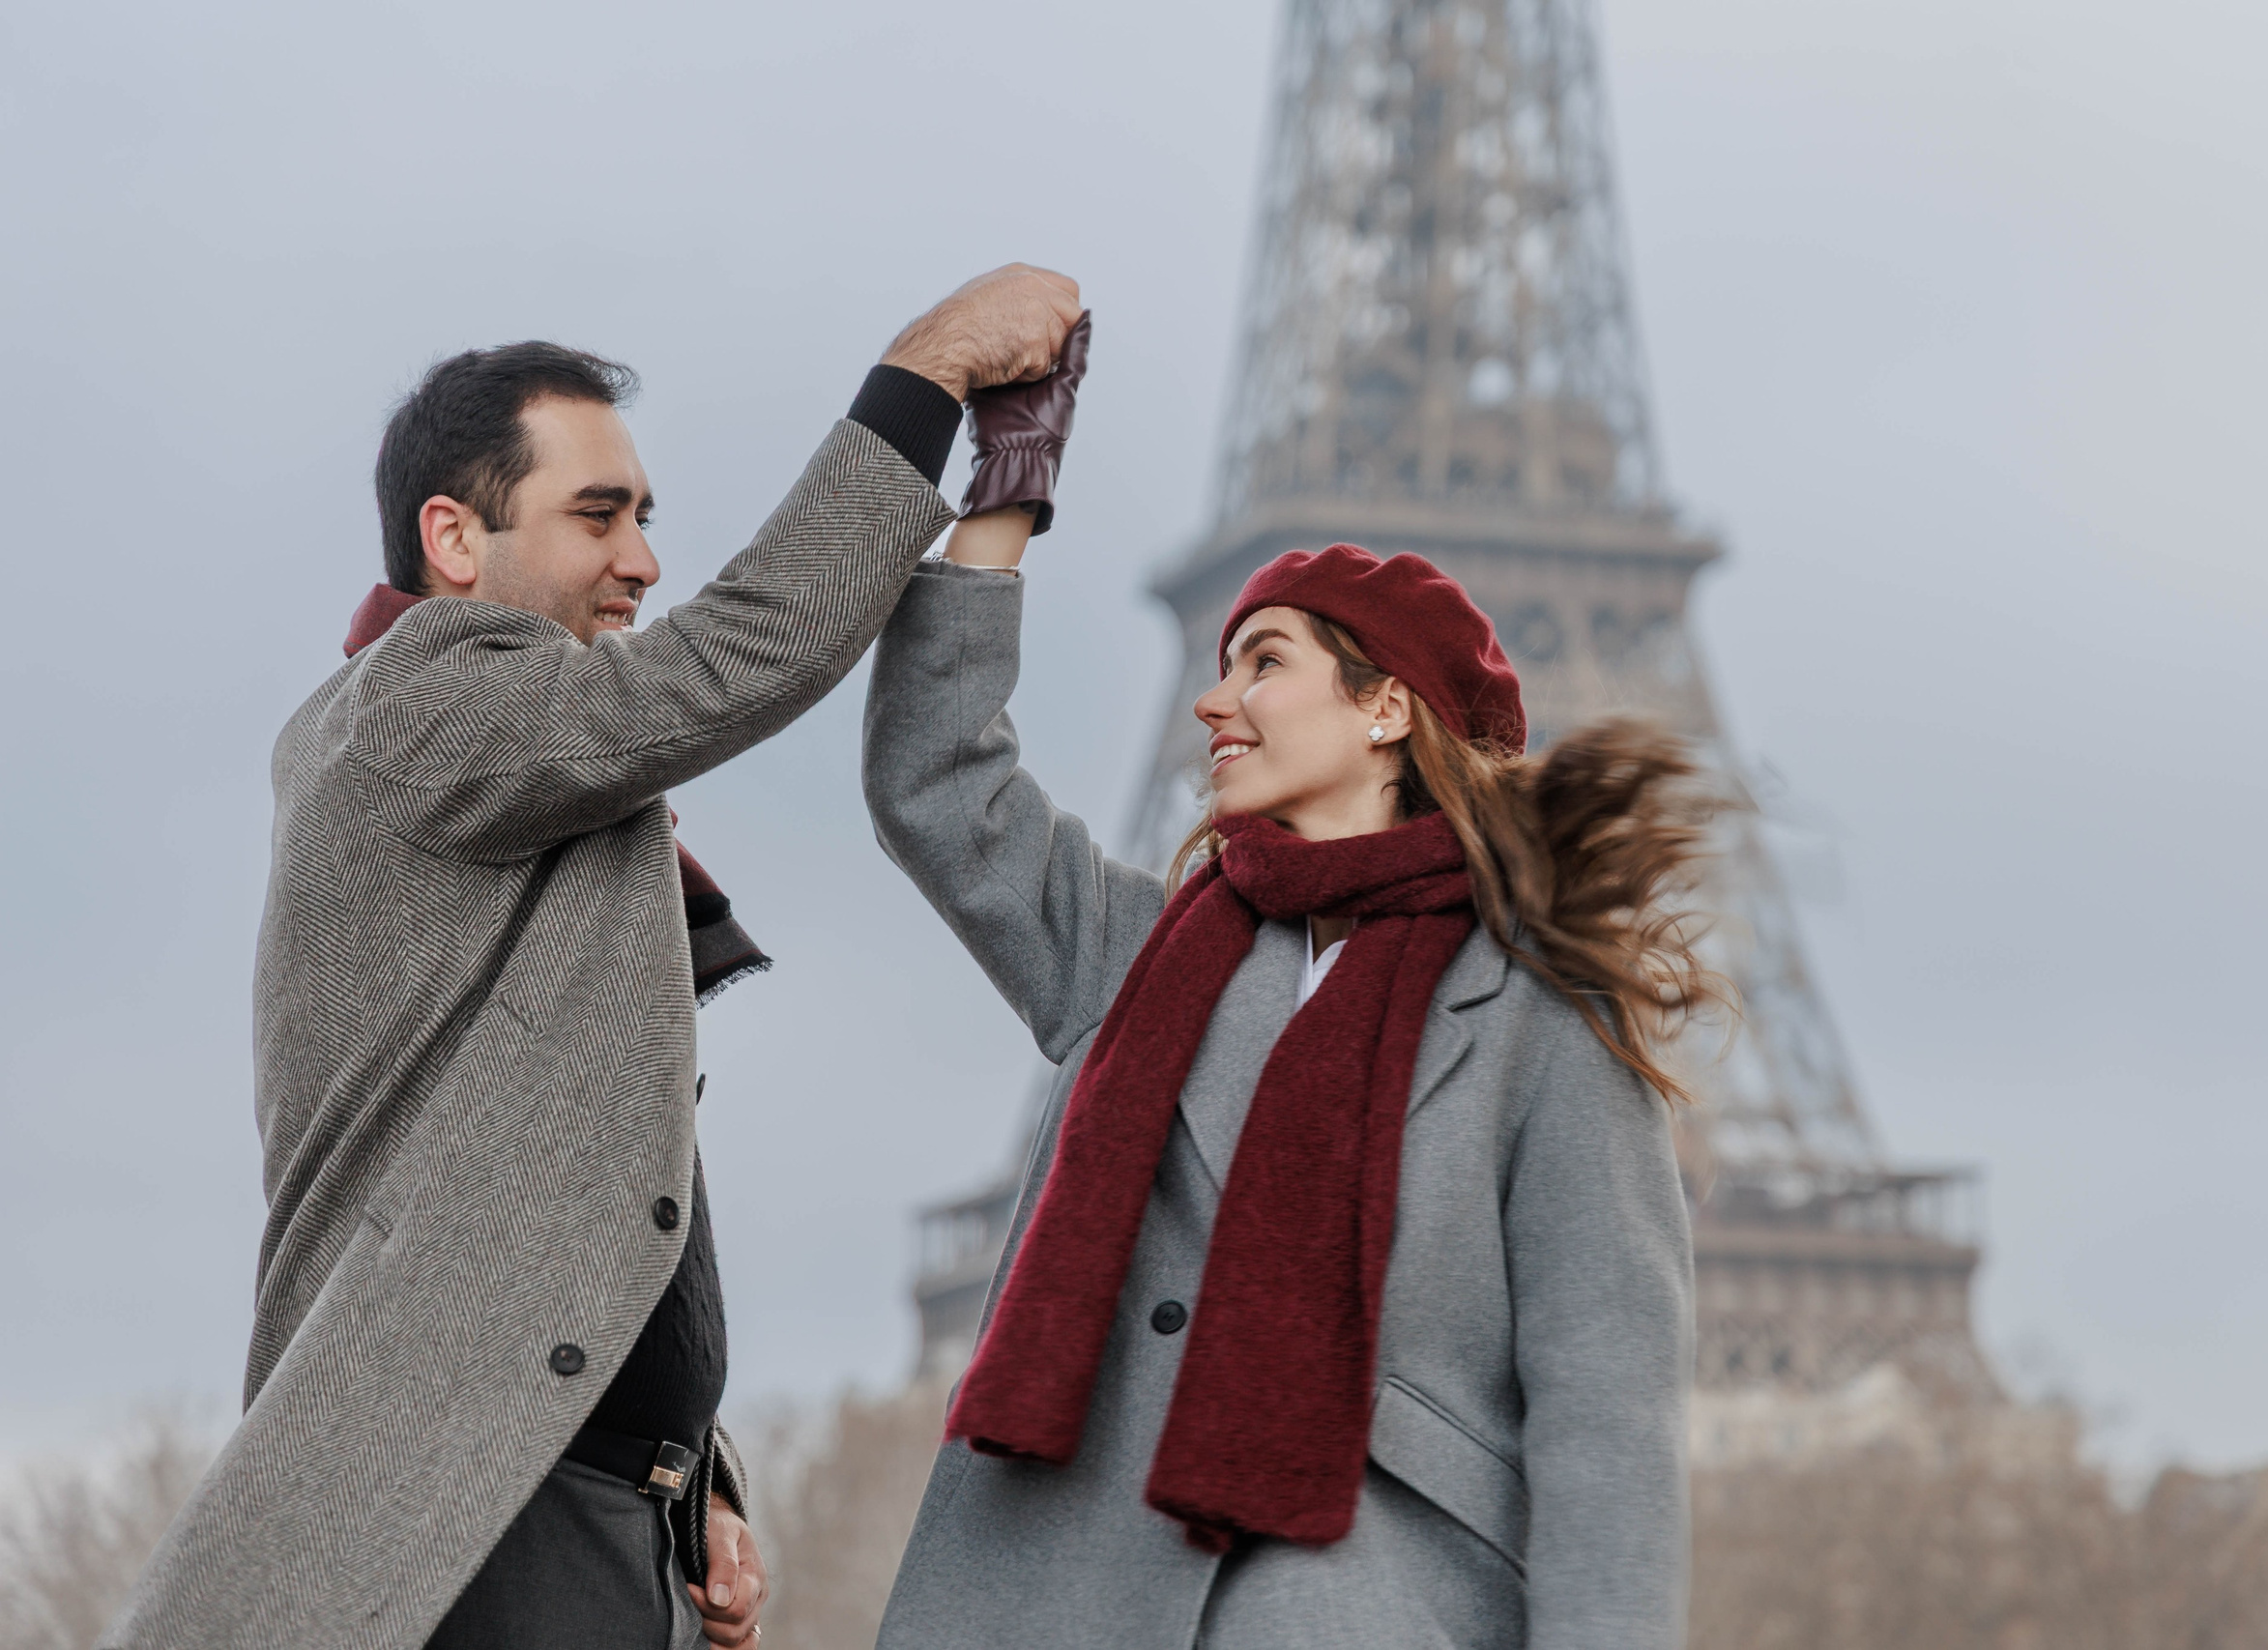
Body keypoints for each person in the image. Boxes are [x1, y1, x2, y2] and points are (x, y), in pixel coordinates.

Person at [107, 263, 1083, 1650]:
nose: (642, 558)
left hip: (573, 1514)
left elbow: (564, 1164)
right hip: (481, 1521)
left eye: (646, 516)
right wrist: (924, 376)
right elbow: (731, 662)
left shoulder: (520, 774)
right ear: (454, 541)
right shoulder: (420, 705)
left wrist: (690, 1477)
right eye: (599, 515)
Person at [860, 391, 1720, 1646]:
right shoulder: (1138, 950)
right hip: (1075, 1584)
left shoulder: (1540, 1014)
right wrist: (1007, 484)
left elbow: (1606, 1414)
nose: (1216, 702)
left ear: (1385, 710)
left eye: (1265, 660)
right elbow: (936, 782)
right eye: (1218, 668)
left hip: (1364, 1598)